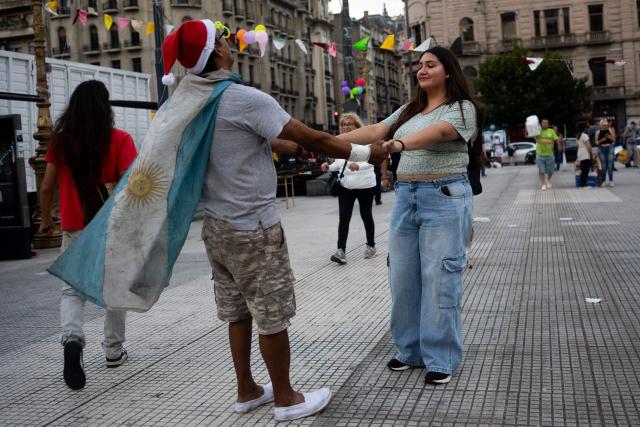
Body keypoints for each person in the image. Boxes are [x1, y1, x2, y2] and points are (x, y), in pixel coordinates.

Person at [160, 20, 388, 421]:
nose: (233, 46)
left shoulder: (188, 101)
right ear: (216, 53)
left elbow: (261, 139)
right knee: (271, 312)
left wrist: (303, 148)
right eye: (226, 41)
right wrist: (368, 153)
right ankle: (285, 397)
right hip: (254, 229)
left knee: (236, 311)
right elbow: (311, 137)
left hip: (216, 228)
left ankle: (247, 388)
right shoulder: (242, 97)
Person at [336, 46, 481, 385]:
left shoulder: (462, 108)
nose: (422, 69)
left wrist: (399, 146)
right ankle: (410, 350)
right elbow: (373, 131)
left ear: (449, 71)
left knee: (441, 278)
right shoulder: (408, 111)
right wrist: (323, 141)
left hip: (444, 196)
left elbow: (442, 133)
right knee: (403, 278)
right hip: (406, 197)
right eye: (419, 65)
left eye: (431, 64)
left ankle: (441, 357)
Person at [38, 80, 136, 390]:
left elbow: (46, 186)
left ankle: (73, 340)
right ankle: (113, 350)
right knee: (114, 288)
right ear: (106, 107)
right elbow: (129, 187)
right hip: (109, 226)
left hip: (74, 227)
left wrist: (45, 220)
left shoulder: (61, 142)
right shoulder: (120, 139)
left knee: (72, 290)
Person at [321, 113, 377, 265]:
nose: (346, 127)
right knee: (344, 217)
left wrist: (359, 165)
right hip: (346, 185)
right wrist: (329, 167)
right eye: (344, 124)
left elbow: (372, 161)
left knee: (366, 215)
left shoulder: (365, 142)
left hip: (365, 184)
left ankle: (371, 245)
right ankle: (340, 250)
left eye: (350, 124)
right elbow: (340, 164)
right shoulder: (340, 142)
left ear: (357, 126)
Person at [534, 119, 558, 190]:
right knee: (541, 170)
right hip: (540, 155)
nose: (545, 124)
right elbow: (528, 135)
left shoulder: (551, 131)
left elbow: (556, 139)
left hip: (550, 154)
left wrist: (559, 146)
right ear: (541, 124)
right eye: (544, 123)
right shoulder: (537, 131)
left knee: (551, 171)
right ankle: (543, 184)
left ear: (548, 124)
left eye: (546, 123)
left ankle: (547, 180)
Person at [595, 119, 617, 187]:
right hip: (601, 148)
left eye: (606, 125)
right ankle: (603, 181)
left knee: (610, 165)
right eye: (604, 125)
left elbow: (614, 140)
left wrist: (610, 137)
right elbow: (596, 142)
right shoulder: (598, 132)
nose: (605, 126)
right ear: (601, 125)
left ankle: (611, 180)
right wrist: (602, 140)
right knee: (603, 166)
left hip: (610, 147)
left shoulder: (610, 130)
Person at [576, 122, 593, 187]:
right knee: (586, 170)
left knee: (583, 169)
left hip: (580, 152)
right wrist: (591, 153)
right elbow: (588, 145)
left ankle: (582, 184)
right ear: (585, 128)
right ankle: (584, 185)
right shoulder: (585, 135)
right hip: (585, 153)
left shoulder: (578, 136)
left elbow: (577, 146)